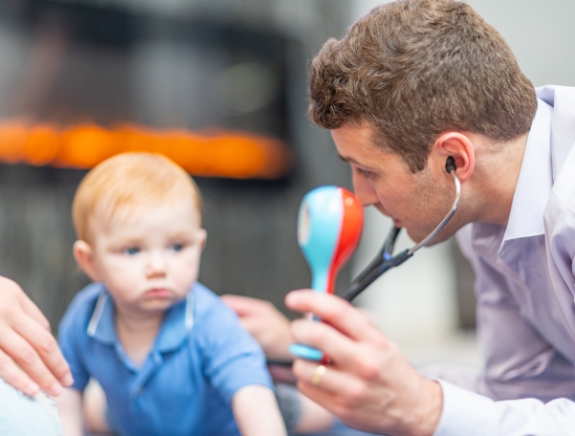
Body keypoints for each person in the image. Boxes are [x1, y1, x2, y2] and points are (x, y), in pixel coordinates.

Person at [235, 1, 575, 435]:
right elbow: (523, 394)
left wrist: (423, 409)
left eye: (368, 171)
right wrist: (348, 367)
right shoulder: (485, 215)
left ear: (454, 158)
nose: (361, 197)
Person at [54, 153, 287, 436]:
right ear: (90, 262)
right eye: (132, 250)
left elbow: (253, 397)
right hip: (136, 422)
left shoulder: (211, 321)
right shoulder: (85, 316)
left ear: (199, 245)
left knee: (296, 411)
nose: (158, 268)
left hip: (221, 428)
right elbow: (66, 386)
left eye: (177, 247)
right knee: (95, 413)